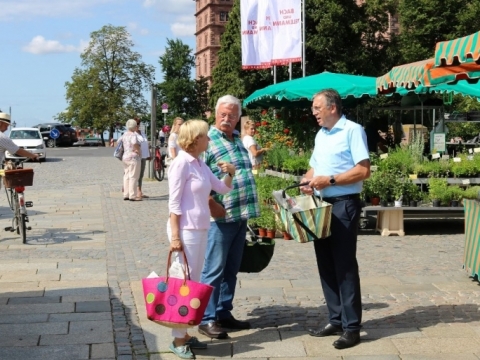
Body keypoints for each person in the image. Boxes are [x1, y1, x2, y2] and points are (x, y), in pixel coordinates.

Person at [300, 89, 370, 350]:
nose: (313, 112)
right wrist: (308, 180)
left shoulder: (352, 130)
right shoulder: (322, 134)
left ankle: (352, 327)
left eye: (317, 107)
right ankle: (336, 319)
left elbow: (364, 170)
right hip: (322, 204)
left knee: (344, 266)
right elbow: (315, 166)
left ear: (332, 108)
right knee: (326, 264)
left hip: (343, 205)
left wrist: (329, 180)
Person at [167, 119, 235, 359]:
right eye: (206, 136)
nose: (209, 140)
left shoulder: (199, 163)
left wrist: (230, 173)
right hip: (185, 231)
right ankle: (177, 339)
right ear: (196, 139)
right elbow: (174, 203)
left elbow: (221, 188)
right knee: (182, 284)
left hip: (200, 229)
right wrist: (175, 236)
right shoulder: (181, 164)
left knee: (192, 284)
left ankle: (184, 334)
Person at [198, 95, 260, 339]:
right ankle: (206, 318)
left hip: (240, 214)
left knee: (231, 269)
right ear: (215, 114)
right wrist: (210, 203)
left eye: (232, 115)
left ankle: (223, 312)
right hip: (219, 217)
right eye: (223, 114)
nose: (227, 119)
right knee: (213, 269)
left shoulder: (237, 139)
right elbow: (197, 178)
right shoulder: (207, 140)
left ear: (238, 117)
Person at [121, 119, 142, 201]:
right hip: (133, 157)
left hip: (125, 156)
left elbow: (120, 142)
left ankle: (126, 194)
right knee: (133, 176)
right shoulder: (133, 135)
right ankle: (132, 195)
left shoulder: (124, 134)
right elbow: (134, 143)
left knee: (126, 175)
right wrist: (138, 150)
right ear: (134, 126)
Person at [135, 118, 150, 198]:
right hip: (136, 157)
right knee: (136, 174)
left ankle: (139, 190)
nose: (137, 126)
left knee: (141, 174)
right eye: (136, 124)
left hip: (144, 155)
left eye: (138, 124)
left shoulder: (142, 133)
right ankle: (137, 191)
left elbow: (146, 144)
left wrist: (148, 154)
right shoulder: (133, 134)